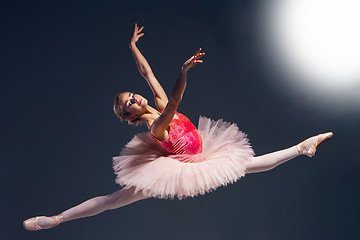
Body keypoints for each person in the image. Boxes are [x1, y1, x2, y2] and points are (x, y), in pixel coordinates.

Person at [23, 23, 333, 231]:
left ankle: (301, 147)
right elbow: (174, 102)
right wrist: (183, 71)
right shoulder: (156, 126)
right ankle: (58, 219)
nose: (134, 99)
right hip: (180, 166)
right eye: (128, 103)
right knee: (114, 200)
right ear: (130, 116)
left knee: (248, 164)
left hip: (203, 152)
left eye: (132, 95)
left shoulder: (153, 101)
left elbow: (147, 73)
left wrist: (133, 46)